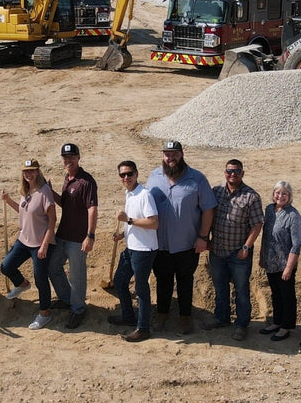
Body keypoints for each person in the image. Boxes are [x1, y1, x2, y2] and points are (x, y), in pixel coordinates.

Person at [146, 140, 216, 335]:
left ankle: (185, 317)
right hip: (160, 243)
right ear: (162, 156)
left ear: (182, 154)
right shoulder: (154, 177)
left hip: (187, 244)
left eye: (175, 153)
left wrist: (203, 236)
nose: (171, 158)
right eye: (167, 154)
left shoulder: (197, 179)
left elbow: (208, 209)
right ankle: (162, 314)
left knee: (185, 281)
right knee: (162, 280)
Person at [204, 159, 263, 341]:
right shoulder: (216, 192)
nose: (232, 174)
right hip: (217, 251)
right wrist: (205, 239)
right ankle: (221, 318)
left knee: (241, 290)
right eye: (229, 171)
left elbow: (257, 225)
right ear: (224, 172)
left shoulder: (251, 196)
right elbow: (208, 215)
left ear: (242, 173)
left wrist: (247, 246)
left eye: (236, 171)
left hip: (239, 253)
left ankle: (241, 324)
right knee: (220, 288)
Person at [0, 159, 58, 330]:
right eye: (26, 171)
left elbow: (52, 221)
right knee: (6, 266)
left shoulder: (45, 191)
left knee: (41, 279)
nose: (28, 174)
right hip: (24, 239)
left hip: (40, 242)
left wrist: (45, 245)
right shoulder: (25, 190)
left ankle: (45, 313)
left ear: (38, 171)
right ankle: (23, 284)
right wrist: (8, 200)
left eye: (32, 171)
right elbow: (24, 211)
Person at [107, 160, 158, 343]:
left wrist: (127, 220)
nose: (126, 177)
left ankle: (143, 328)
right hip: (131, 248)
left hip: (144, 250)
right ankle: (128, 316)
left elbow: (153, 223)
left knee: (141, 289)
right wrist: (123, 233)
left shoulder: (145, 195)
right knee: (120, 281)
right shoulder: (129, 194)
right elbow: (137, 222)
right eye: (122, 175)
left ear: (137, 174)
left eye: (129, 174)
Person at [48, 142, 98, 329]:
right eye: (65, 157)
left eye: (72, 157)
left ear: (78, 158)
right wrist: (51, 192)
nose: (68, 160)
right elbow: (66, 204)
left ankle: (78, 310)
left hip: (78, 238)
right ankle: (67, 299)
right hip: (62, 234)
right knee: (53, 267)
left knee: (77, 276)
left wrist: (90, 235)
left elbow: (92, 208)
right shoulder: (68, 178)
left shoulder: (86, 181)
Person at [259, 181, 301, 342]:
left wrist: (289, 268)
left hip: (285, 263)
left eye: (284, 193)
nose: (280, 196)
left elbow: (297, 244)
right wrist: (262, 257)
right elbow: (266, 234)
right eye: (278, 193)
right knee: (275, 294)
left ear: (289, 196)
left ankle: (286, 327)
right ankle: (277, 322)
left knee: (287, 295)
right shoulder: (269, 209)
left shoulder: (293, 215)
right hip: (270, 262)